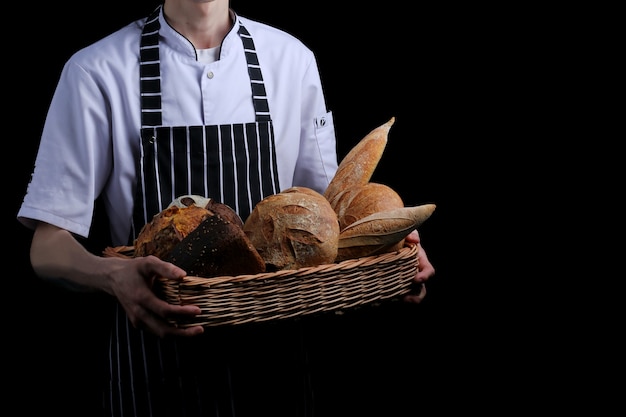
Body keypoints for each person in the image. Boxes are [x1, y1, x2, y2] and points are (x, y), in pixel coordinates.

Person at [17, 0, 435, 415]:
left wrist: (390, 250)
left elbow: (328, 226)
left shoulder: (291, 61)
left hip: (277, 377)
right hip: (154, 376)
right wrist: (112, 276)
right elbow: (47, 245)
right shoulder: (96, 71)